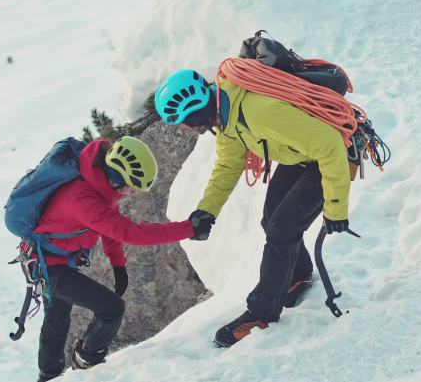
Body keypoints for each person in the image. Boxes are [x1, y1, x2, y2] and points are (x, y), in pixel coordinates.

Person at [154, 69, 352, 347]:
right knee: (271, 218)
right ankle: (298, 275)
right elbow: (228, 164)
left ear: (193, 110)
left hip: (333, 156)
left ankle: (261, 314)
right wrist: (207, 211)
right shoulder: (225, 113)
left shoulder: (258, 112)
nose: (183, 129)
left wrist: (336, 209)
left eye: (181, 122)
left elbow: (330, 145)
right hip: (302, 155)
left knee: (282, 228)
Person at [33, 136, 210, 381]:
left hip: (53, 262)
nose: (132, 192)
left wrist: (118, 264)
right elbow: (130, 232)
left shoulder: (99, 187)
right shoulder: (82, 199)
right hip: (48, 266)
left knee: (57, 321)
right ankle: (86, 362)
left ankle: (49, 376)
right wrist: (190, 229)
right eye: (131, 185)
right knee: (111, 309)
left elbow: (110, 227)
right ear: (116, 175)